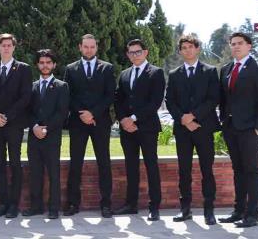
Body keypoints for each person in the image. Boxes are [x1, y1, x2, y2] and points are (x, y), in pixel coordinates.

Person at [217, 32, 258, 228]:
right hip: (231, 128)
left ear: (249, 46)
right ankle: (238, 211)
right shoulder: (226, 69)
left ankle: (252, 215)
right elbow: (223, 99)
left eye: (240, 43)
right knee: (237, 170)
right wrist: (223, 122)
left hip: (250, 129)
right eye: (232, 44)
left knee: (250, 171)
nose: (235, 47)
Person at [164, 35, 219, 225]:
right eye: (183, 48)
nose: (187, 50)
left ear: (198, 49)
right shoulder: (174, 74)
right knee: (184, 171)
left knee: (207, 170)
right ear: (180, 51)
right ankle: (185, 209)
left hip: (203, 127)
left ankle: (209, 211)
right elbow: (169, 101)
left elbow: (213, 99)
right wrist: (183, 119)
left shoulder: (210, 71)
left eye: (190, 47)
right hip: (182, 130)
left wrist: (193, 116)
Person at [64, 34, 115, 218]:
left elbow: (110, 95)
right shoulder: (70, 69)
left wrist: (93, 113)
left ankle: (106, 204)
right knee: (75, 163)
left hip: (100, 122)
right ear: (80, 47)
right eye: (86, 47)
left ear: (97, 48)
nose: (89, 50)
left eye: (92, 47)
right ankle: (72, 203)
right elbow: (68, 95)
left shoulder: (107, 68)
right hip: (78, 123)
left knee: (104, 163)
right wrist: (83, 114)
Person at [113, 39, 164, 221]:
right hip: (127, 129)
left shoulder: (156, 73)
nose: (135, 55)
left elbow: (155, 102)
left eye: (138, 51)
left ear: (145, 52)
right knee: (131, 166)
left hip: (147, 128)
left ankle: (154, 207)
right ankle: (131, 204)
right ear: (127, 55)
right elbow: (118, 100)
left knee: (151, 166)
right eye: (131, 52)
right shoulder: (124, 74)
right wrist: (123, 120)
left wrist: (134, 118)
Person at [0, 33, 32, 218]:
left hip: (14, 124)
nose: (6, 48)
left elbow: (26, 96)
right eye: (2, 45)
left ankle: (14, 204)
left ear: (14, 47)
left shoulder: (23, 69)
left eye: (9, 45)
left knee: (14, 164)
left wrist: (7, 116)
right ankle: (3, 204)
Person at [23, 49, 69, 219]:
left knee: (53, 173)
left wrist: (46, 128)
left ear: (54, 65)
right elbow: (27, 110)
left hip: (52, 137)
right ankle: (36, 207)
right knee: (34, 173)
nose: (45, 65)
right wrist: (34, 126)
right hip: (34, 137)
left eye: (48, 62)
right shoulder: (31, 86)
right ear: (37, 65)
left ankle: (53, 208)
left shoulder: (62, 86)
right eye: (42, 62)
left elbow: (62, 112)